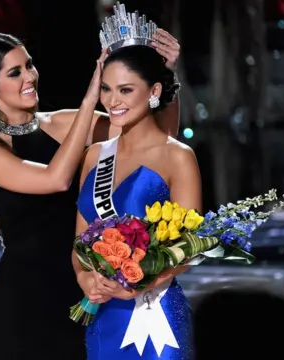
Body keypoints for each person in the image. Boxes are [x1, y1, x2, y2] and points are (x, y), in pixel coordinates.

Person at [0, 29, 181, 359]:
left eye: (29, 65)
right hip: (24, 305)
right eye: (15, 72)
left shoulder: (61, 124)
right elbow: (55, 179)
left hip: (85, 289)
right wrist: (90, 99)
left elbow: (158, 138)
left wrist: (166, 75)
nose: (30, 76)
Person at [74, 9, 200, 360]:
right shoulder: (94, 155)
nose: (113, 101)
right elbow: (79, 242)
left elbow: (190, 247)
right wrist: (87, 280)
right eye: (107, 89)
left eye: (126, 90)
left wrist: (142, 280)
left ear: (154, 90)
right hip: (104, 316)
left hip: (156, 316)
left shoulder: (177, 156)